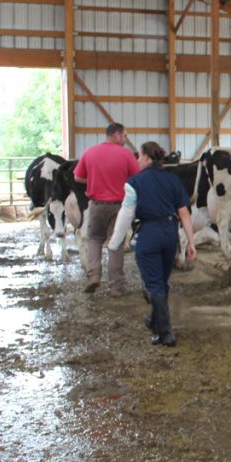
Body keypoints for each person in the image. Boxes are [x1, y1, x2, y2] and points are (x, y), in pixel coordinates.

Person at [107, 141, 196, 347]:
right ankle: (155, 321)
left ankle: (166, 333)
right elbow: (184, 212)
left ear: (146, 157)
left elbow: (126, 213)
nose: (137, 160)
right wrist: (191, 242)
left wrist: (115, 242)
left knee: (154, 285)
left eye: (139, 156)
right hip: (169, 233)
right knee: (162, 282)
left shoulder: (134, 182)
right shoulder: (173, 180)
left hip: (148, 234)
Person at [73, 122, 141, 296]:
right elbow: (137, 178)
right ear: (116, 135)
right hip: (119, 206)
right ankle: (116, 287)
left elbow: (78, 177)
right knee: (115, 242)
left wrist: (95, 181)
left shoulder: (90, 152)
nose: (126, 139)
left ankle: (94, 276)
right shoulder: (126, 155)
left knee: (94, 239)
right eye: (125, 135)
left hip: (96, 205)